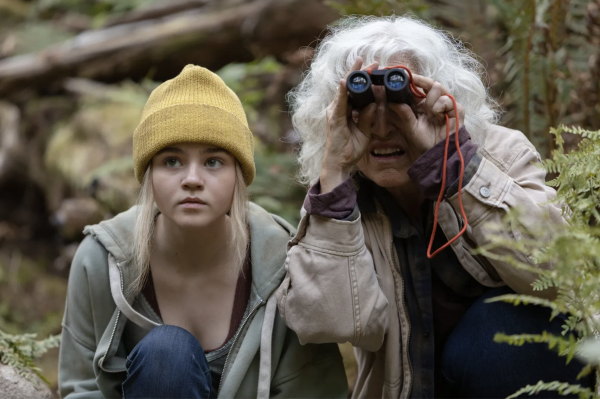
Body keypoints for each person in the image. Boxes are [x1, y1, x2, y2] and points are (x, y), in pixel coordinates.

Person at [276, 16, 592, 398]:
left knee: (501, 325)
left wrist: (457, 166)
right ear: (334, 113)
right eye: (359, 105)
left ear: (442, 95)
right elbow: (328, 321)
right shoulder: (339, 198)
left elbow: (561, 272)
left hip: (527, 378)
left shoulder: (501, 154)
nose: (380, 129)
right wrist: (334, 170)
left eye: (402, 100)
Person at [58, 65, 347, 399]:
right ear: (148, 173)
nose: (192, 179)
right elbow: (82, 389)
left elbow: (315, 391)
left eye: (213, 162)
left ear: (238, 174)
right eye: (171, 161)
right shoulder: (102, 259)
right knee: (168, 355)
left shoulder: (282, 263)